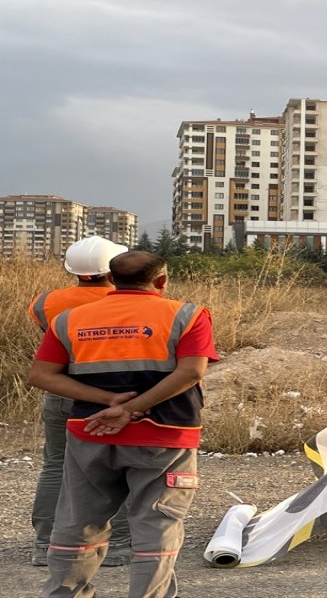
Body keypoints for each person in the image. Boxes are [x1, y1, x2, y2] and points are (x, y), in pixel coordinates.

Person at [28, 250, 219, 598]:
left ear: (111, 280)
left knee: (78, 521)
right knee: (156, 524)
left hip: (91, 433)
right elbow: (192, 371)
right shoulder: (187, 315)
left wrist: (109, 402)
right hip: (165, 436)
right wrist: (134, 408)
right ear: (161, 281)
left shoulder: (68, 319)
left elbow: (41, 375)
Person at [28, 236, 133, 567]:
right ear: (115, 268)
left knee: (56, 467)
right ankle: (118, 545)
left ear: (71, 269)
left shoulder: (45, 302)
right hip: (116, 397)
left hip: (62, 393)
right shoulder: (130, 302)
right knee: (121, 468)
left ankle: (45, 544)